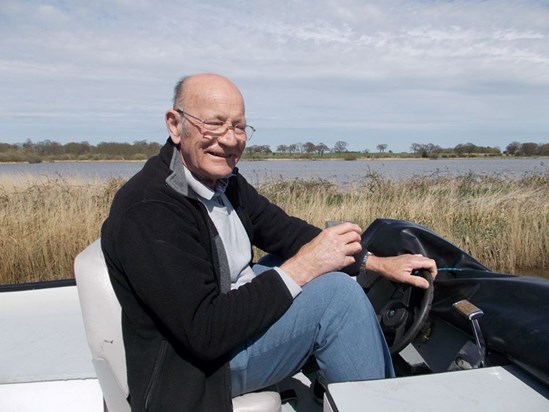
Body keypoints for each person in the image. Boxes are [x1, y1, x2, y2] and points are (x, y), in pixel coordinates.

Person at [101, 73, 437, 412]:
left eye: (239, 127)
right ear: (175, 125)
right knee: (337, 297)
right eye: (214, 124)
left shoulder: (223, 182)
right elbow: (204, 333)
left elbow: (284, 231)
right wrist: (305, 267)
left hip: (224, 326)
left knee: (297, 262)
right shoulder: (151, 209)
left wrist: (374, 263)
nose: (230, 140)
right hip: (194, 373)